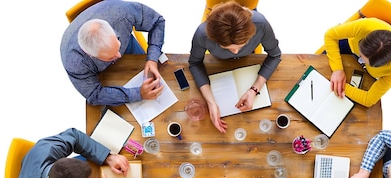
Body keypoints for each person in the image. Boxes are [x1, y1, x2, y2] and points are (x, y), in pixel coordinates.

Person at [188, 1, 282, 133]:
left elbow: (275, 55)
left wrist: (254, 89)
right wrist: (211, 102)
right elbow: (194, 63)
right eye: (228, 48)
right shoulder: (202, 33)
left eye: (241, 45)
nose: (236, 52)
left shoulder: (261, 23)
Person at [60, 1, 166, 106]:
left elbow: (157, 21)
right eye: (111, 57)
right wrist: (137, 94)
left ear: (113, 31)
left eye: (118, 45)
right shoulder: (74, 63)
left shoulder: (123, 12)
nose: (119, 55)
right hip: (101, 74)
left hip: (129, 47)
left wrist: (152, 59)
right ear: (90, 55)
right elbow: (94, 94)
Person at [324, 17, 391, 107]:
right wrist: (337, 69)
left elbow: (368, 99)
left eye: (364, 60)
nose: (360, 58)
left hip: (364, 73)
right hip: (349, 46)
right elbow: (329, 35)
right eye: (361, 52)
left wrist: (341, 87)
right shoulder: (366, 25)